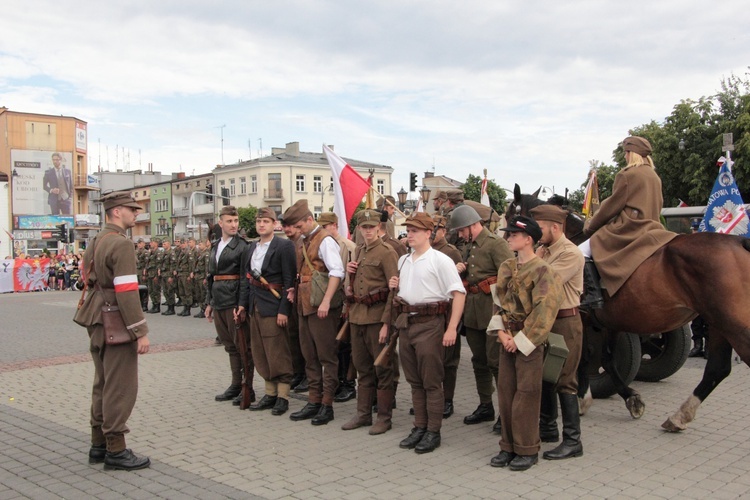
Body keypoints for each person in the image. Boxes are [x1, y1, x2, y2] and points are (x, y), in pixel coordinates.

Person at [73, 191, 150, 471]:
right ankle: (116, 450)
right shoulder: (121, 244)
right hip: (114, 320)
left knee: (102, 383)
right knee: (120, 386)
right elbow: (127, 291)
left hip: (95, 316)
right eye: (131, 209)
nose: (135, 213)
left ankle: (98, 445)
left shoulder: (96, 240)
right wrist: (140, 330)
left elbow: (87, 276)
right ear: (117, 211)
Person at [488, 215, 562, 471]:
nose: (508, 238)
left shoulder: (543, 270)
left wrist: (520, 340)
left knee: (527, 397)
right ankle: (507, 446)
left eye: (513, 235)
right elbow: (498, 302)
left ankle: (527, 449)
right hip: (507, 339)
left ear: (528, 239)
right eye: (508, 234)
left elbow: (545, 311)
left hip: (528, 342)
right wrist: (501, 334)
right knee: (506, 394)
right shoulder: (507, 266)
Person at [390, 212, 465, 454]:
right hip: (407, 322)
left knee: (431, 381)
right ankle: (419, 426)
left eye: (414, 231)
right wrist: (395, 285)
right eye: (408, 230)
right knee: (414, 380)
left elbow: (459, 294)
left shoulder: (440, 260)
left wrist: (452, 327)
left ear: (427, 233)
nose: (409, 234)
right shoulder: (403, 260)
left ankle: (433, 431)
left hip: (431, 323)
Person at [580, 136, 677, 309]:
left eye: (626, 152)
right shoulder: (654, 176)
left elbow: (612, 206)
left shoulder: (627, 174)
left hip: (629, 228)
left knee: (582, 251)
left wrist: (591, 226)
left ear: (631, 153)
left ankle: (594, 296)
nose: (625, 156)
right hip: (653, 227)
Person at [450, 204, 513, 432]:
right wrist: (461, 269)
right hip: (473, 310)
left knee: (496, 362)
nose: (459, 235)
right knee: (479, 361)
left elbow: (510, 277)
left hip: (492, 309)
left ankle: (505, 411)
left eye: (460, 231)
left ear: (471, 225)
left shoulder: (496, 244)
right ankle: (486, 405)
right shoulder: (468, 246)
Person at [530, 204, 585, 460]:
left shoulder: (571, 253)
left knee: (565, 379)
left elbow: (544, 282)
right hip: (546, 320)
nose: (536, 233)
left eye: (540, 228)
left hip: (565, 322)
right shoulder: (543, 250)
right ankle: (548, 428)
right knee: (546, 376)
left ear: (555, 227)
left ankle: (573, 441)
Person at [285, 199, 345, 426]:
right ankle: (313, 400)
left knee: (326, 356)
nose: (297, 231)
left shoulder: (325, 240)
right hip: (305, 305)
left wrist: (327, 301)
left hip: (321, 307)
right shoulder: (306, 241)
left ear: (310, 220)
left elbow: (337, 272)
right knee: (309, 355)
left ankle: (327, 404)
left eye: (299, 226)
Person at [341, 209, 399, 434]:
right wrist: (349, 277)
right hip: (357, 318)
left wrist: (387, 323)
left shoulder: (387, 252)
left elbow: (393, 291)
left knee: (382, 370)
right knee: (362, 369)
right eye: (363, 227)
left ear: (378, 228)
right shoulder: (358, 251)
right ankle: (363, 414)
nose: (367, 231)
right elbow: (354, 287)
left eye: (371, 227)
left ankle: (384, 417)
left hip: (376, 319)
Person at [242, 208, 297, 416]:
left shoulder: (284, 246)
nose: (261, 225)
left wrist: (284, 310)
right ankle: (270, 393)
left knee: (277, 351)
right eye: (258, 221)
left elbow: (289, 280)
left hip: (274, 307)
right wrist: (242, 305)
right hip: (255, 305)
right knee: (260, 351)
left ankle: (283, 396)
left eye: (266, 221)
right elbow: (245, 279)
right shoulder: (251, 248)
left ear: (275, 224)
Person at [206, 206, 253, 405]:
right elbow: (210, 276)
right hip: (219, 300)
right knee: (230, 346)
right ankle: (235, 384)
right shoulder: (216, 245)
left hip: (233, 300)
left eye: (235, 221)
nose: (234, 225)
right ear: (221, 223)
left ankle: (247, 386)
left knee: (243, 346)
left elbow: (245, 278)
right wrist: (209, 302)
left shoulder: (242, 246)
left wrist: (241, 304)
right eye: (229, 221)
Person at [319, 212, 358, 404]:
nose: (323, 230)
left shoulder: (348, 246)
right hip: (331, 301)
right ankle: (337, 383)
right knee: (335, 346)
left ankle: (348, 385)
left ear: (334, 225)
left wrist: (347, 305)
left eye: (325, 226)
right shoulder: (322, 244)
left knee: (345, 346)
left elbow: (350, 278)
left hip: (345, 302)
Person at [431, 215, 464, 418]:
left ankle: (447, 399)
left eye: (436, 229)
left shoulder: (451, 252)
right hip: (431, 314)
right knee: (432, 359)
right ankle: (433, 398)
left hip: (449, 311)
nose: (433, 233)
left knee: (449, 360)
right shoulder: (424, 251)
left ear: (444, 231)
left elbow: (460, 286)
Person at [281, 215, 307, 393]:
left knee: (303, 338)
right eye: (284, 225)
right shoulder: (286, 244)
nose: (287, 229)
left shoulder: (304, 243)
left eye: (290, 225)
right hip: (290, 295)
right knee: (292, 337)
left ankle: (306, 375)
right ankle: (297, 372)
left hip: (304, 296)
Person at [176, 238, 196, 316]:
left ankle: (188, 309)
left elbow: (192, 264)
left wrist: (191, 273)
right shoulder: (181, 253)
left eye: (184, 243)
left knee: (187, 292)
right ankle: (185, 307)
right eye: (181, 243)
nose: (182, 245)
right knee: (182, 292)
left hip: (186, 274)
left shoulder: (189, 252)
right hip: (181, 274)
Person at [159, 239, 177, 316]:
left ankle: (172, 308)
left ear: (169, 244)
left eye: (165, 244)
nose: (164, 245)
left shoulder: (171, 253)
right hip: (164, 274)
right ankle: (169, 307)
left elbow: (173, 265)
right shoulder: (164, 253)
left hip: (168, 274)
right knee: (165, 291)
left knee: (170, 291)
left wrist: (171, 276)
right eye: (163, 244)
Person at [192, 238, 209, 318]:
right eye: (198, 245)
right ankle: (201, 309)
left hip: (202, 277)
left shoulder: (206, 254)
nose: (199, 246)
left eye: (200, 244)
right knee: (198, 294)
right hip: (198, 277)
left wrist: (206, 278)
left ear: (205, 244)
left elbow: (207, 267)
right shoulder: (200, 253)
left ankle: (204, 310)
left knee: (203, 294)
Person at [145, 239, 162, 313]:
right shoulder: (150, 252)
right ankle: (154, 305)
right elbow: (148, 262)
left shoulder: (158, 252)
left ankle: (157, 306)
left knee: (156, 290)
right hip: (149, 274)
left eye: (152, 242)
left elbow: (159, 264)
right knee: (151, 290)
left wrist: (156, 275)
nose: (150, 243)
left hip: (154, 274)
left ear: (156, 244)